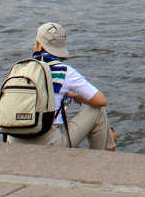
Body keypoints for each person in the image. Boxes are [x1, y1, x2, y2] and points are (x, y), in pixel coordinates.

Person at [9, 22, 117, 150]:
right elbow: (101, 101)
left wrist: (67, 96)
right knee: (98, 111)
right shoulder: (62, 71)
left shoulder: (19, 69)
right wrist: (78, 97)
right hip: (48, 143)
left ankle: (108, 141)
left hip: (14, 141)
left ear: (38, 45)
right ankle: (104, 154)